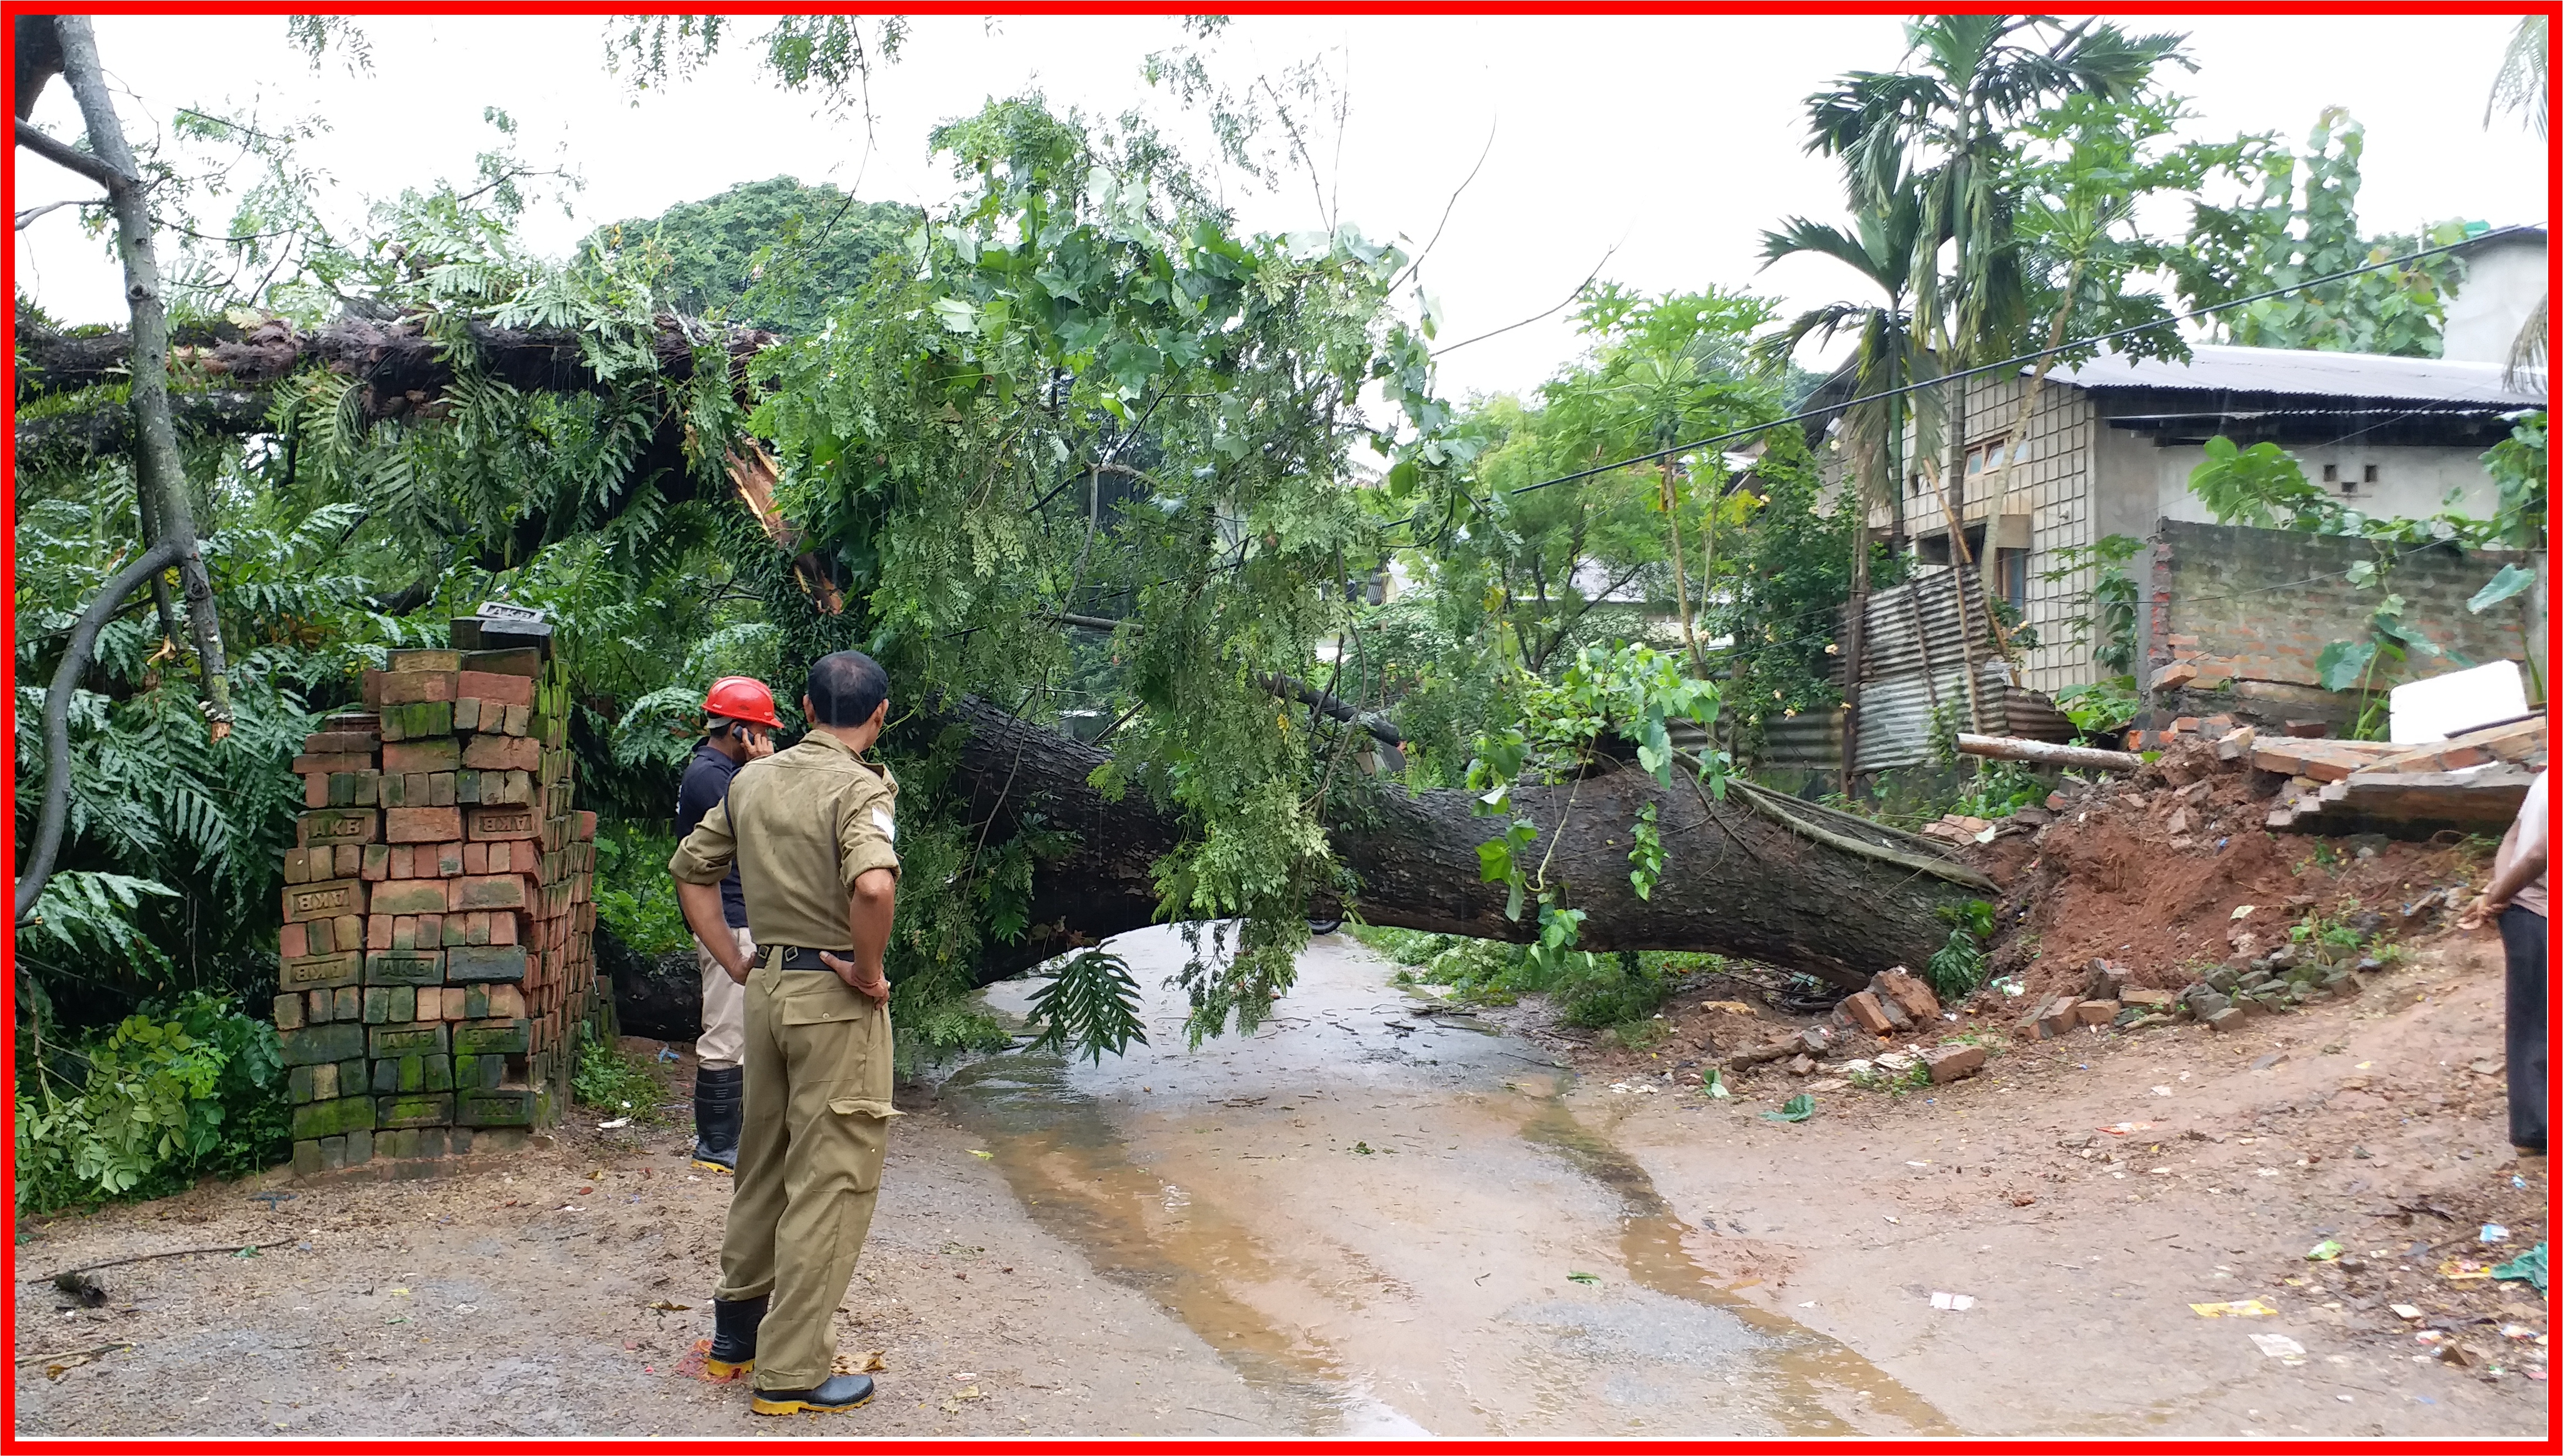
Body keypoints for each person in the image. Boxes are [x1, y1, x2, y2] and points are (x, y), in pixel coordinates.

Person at [670, 650, 901, 1416]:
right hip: (833, 998)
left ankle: (735, 1337)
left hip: (767, 986)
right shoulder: (859, 789)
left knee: (762, 1160)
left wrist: (736, 961)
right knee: (832, 1175)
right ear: (880, 715)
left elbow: (691, 870)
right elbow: (873, 884)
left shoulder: (751, 780)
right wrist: (867, 972)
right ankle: (792, 1370)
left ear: (803, 707)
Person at [676, 677, 781, 1173]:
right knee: (725, 1032)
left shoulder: (716, 769)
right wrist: (764, 771)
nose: (767, 745)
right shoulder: (713, 777)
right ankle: (714, 1145)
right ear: (741, 732)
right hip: (729, 917)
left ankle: (729, 1138)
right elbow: (764, 828)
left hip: (740, 914)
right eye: (761, 734)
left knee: (742, 1031)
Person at [2460, 763, 2549, 1167]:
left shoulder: (2546, 778)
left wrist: (2497, 895)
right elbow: (2539, 852)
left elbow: (2512, 838)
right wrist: (2498, 894)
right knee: (2537, 1024)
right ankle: (2535, 1132)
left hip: (2522, 910)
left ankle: (2533, 1132)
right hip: (2544, 912)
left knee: (2529, 1020)